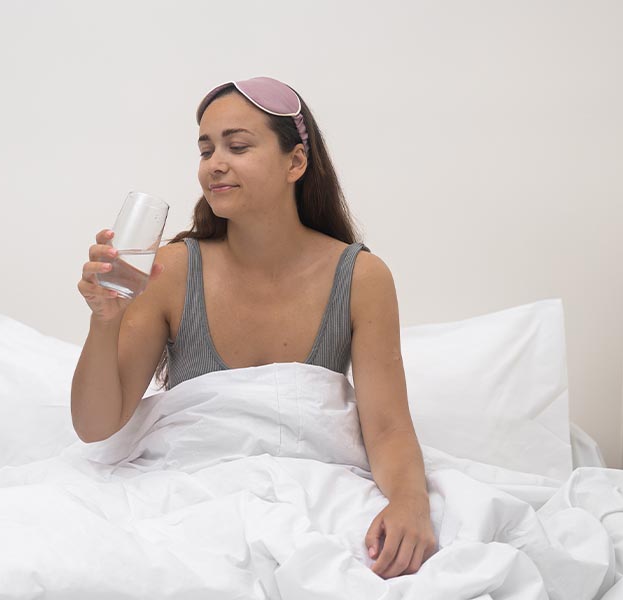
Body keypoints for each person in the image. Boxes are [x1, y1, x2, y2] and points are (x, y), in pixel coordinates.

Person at [72, 76, 437, 579]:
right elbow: (96, 426)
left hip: (312, 496)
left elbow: (388, 427)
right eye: (206, 149)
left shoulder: (361, 278)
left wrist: (411, 503)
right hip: (189, 499)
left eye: (237, 146)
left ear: (296, 162)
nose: (215, 163)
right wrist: (103, 322)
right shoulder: (171, 271)